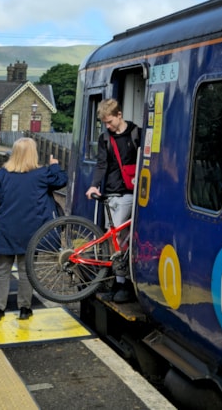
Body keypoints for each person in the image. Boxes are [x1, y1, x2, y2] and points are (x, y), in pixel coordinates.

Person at [0, 137, 68, 321]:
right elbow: (61, 180)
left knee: (1, 271)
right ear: (33, 154)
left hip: (5, 230)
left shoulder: (2, 174)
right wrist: (55, 165)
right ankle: (24, 308)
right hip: (31, 232)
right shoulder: (42, 174)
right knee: (26, 271)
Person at [85, 99, 142, 303]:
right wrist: (94, 185)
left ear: (119, 115)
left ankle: (125, 283)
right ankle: (119, 282)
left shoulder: (138, 134)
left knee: (117, 235)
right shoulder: (105, 139)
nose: (107, 126)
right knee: (113, 239)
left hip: (129, 193)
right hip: (110, 194)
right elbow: (102, 164)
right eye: (104, 123)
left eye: (109, 122)